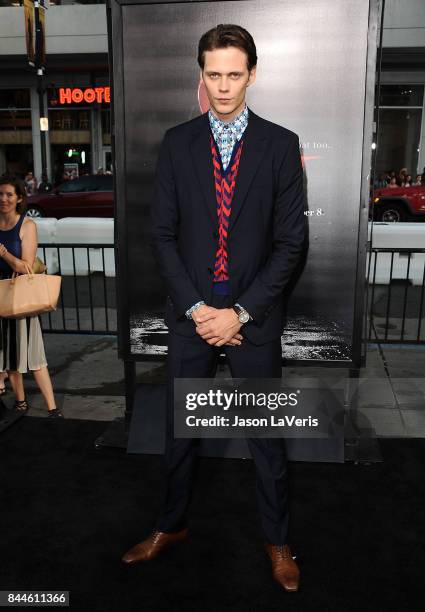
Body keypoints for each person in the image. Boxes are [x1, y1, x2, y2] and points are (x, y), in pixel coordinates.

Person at [122, 24, 305, 592]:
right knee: (181, 432)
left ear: (253, 73)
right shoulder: (178, 143)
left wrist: (240, 313)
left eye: (234, 73)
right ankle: (170, 526)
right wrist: (201, 309)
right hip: (191, 317)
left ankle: (278, 542)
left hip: (253, 319)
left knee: (266, 439)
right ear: (200, 75)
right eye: (213, 74)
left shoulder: (279, 144)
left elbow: (291, 243)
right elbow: (162, 235)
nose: (223, 86)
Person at [0, 175, 62, 418]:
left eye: (8, 195)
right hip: (0, 296)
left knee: (34, 356)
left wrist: (3, 253)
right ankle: (21, 402)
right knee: (7, 355)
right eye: (0, 194)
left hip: (20, 296)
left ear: (20, 199)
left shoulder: (27, 226)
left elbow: (26, 266)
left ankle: (52, 408)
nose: (3, 199)